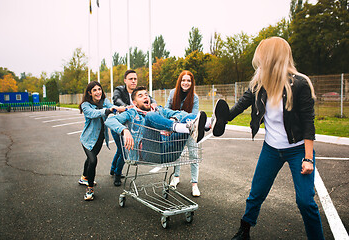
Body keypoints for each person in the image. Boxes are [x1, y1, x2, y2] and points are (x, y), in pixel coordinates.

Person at [214, 37, 324, 240]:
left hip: (298, 150)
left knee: (305, 202)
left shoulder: (299, 84)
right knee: (257, 192)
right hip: (271, 149)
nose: (259, 63)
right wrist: (221, 119)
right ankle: (244, 230)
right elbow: (240, 106)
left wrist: (308, 158)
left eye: (262, 58)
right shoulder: (259, 83)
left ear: (273, 59)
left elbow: (309, 124)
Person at [105, 86, 215, 164]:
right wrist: (125, 130)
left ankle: (210, 123)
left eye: (146, 95)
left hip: (171, 152)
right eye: (140, 96)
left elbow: (180, 114)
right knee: (150, 116)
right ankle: (181, 127)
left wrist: (173, 119)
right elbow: (110, 120)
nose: (145, 97)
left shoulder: (159, 110)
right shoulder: (131, 112)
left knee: (184, 116)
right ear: (134, 102)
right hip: (149, 154)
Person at [78, 81, 125, 201]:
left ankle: (84, 177)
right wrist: (108, 110)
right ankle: (90, 189)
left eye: (99, 89)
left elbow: (112, 107)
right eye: (94, 90)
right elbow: (93, 114)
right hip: (88, 139)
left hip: (100, 138)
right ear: (90, 93)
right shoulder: (86, 105)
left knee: (90, 159)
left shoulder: (105, 101)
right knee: (93, 160)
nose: (98, 92)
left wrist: (123, 109)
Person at [110, 69, 157, 186]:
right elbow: (116, 99)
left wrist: (154, 103)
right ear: (125, 80)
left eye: (135, 79)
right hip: (119, 125)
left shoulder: (138, 92)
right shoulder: (119, 90)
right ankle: (117, 174)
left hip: (132, 126)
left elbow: (150, 98)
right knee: (124, 151)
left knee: (120, 149)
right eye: (130, 79)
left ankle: (113, 168)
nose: (133, 81)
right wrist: (126, 107)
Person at [165, 70, 201, 197]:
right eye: (183, 80)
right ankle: (176, 177)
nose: (186, 83)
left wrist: (178, 116)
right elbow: (166, 110)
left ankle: (194, 184)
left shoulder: (194, 98)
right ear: (180, 82)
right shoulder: (173, 93)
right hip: (177, 129)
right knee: (177, 154)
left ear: (192, 83)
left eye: (189, 81)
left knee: (194, 155)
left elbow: (193, 115)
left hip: (190, 130)